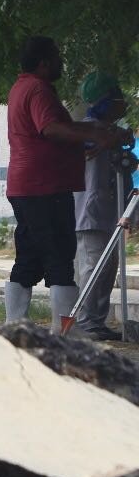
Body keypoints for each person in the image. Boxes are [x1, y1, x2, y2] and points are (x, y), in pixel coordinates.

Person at [4, 37, 127, 326]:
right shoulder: (38, 89)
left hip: (27, 186)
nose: (61, 63)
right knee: (59, 258)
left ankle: (15, 326)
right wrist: (94, 134)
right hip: (45, 186)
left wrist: (92, 133)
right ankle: (65, 332)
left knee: (30, 257)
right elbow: (52, 129)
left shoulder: (21, 87)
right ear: (45, 62)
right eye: (58, 58)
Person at [73, 71, 132, 340]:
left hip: (110, 212)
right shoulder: (88, 131)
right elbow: (91, 144)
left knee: (107, 270)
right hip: (91, 212)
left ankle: (97, 320)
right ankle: (85, 321)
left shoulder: (112, 133)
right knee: (93, 268)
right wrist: (114, 136)